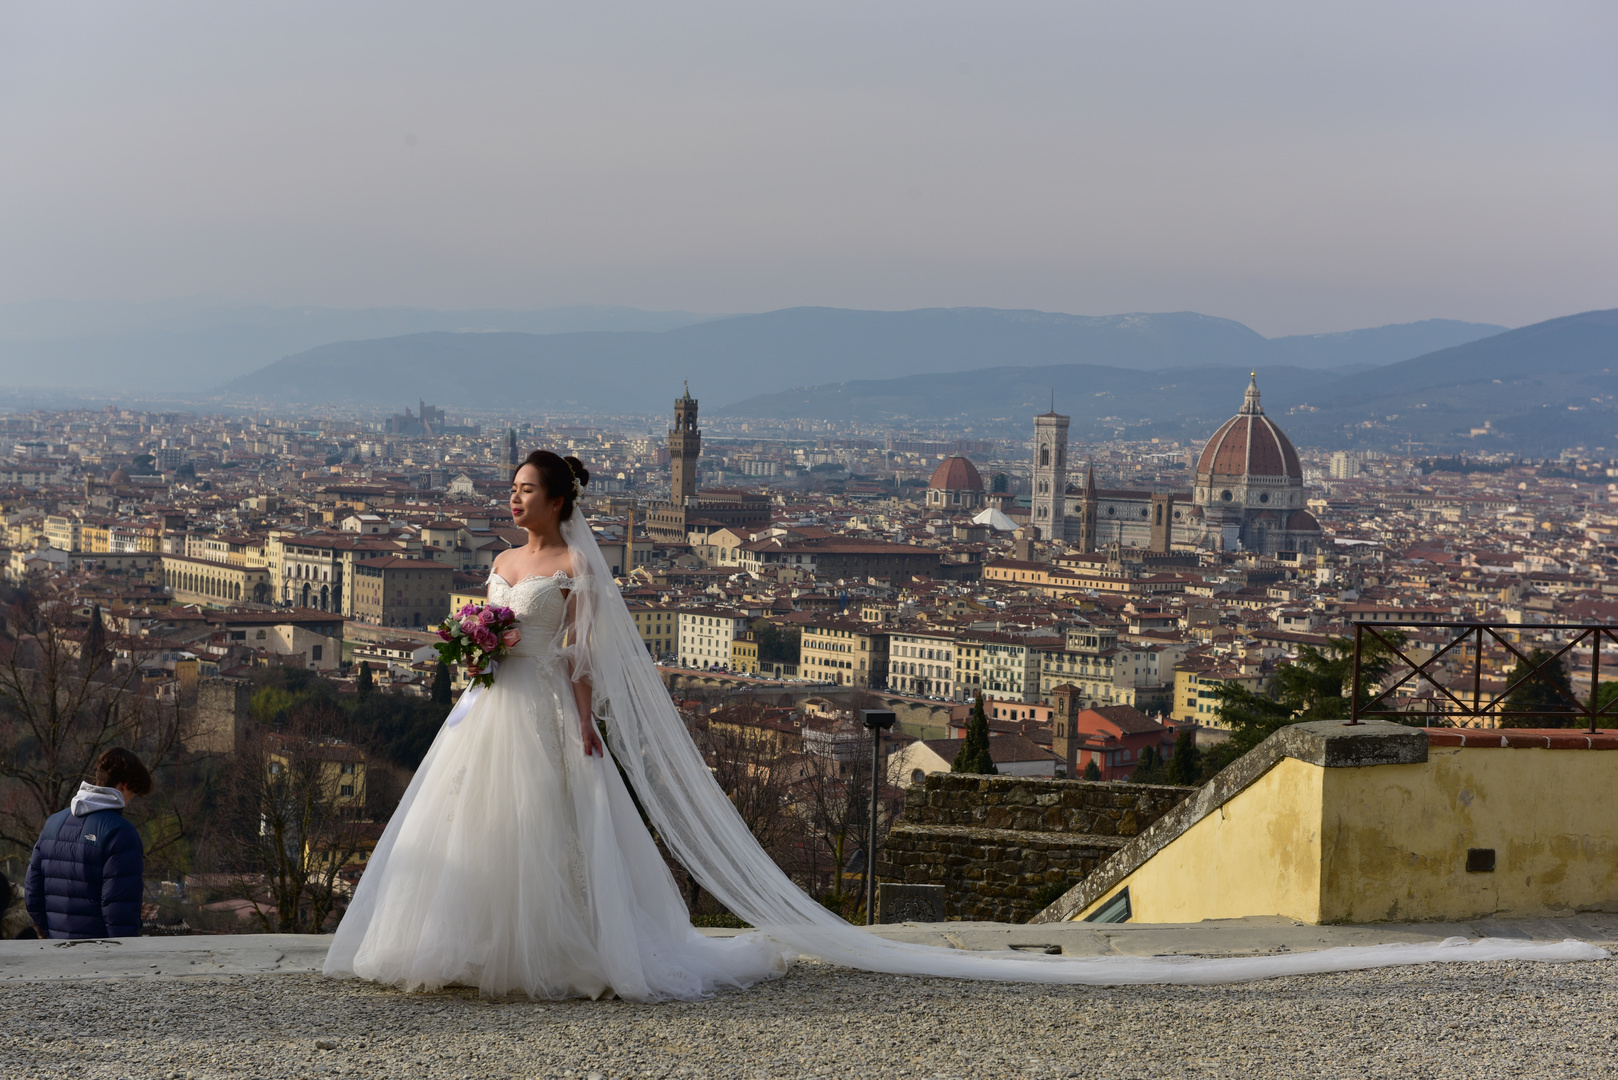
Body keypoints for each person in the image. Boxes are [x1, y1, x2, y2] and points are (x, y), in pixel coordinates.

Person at [326, 450, 1605, 1001]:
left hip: (552, 721)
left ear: (563, 500)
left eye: (530, 489)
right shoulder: (504, 559)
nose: (516, 501)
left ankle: (561, 960)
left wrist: (592, 727)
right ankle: (478, 955)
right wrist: (476, 655)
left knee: (560, 848)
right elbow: (503, 626)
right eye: (513, 489)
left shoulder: (580, 573)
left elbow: (596, 660)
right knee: (484, 844)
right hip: (493, 714)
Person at [25, 748, 151, 939]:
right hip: (100, 957)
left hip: (56, 953)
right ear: (125, 785)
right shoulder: (121, 832)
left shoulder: (52, 823)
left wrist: (53, 932)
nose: (130, 800)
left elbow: (32, 895)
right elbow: (119, 913)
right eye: (133, 793)